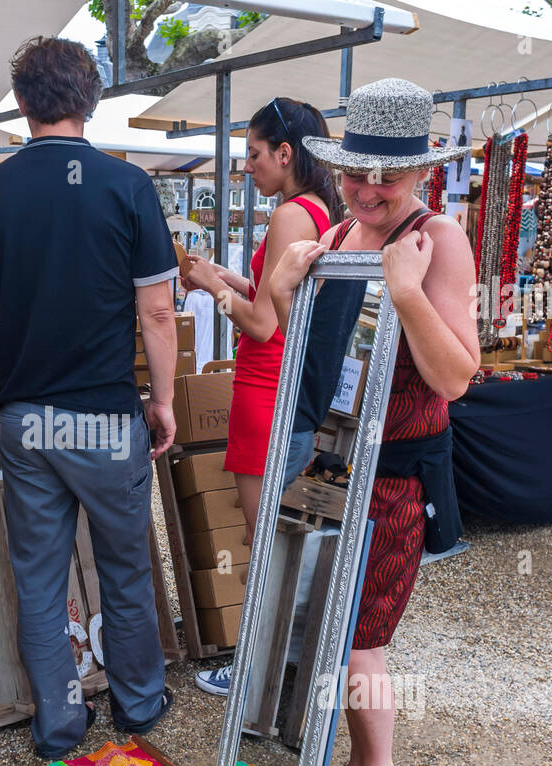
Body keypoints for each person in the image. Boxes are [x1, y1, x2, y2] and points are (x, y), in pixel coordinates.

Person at [0, 36, 176, 759]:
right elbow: (159, 313)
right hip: (107, 417)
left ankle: (58, 726)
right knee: (125, 570)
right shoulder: (128, 186)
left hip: (27, 417)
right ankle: (138, 707)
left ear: (22, 104)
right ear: (91, 100)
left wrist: (23, 292)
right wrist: (163, 400)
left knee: (41, 580)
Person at [267, 78, 479, 766]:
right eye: (357, 172)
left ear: (420, 173)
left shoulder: (440, 238)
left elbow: (456, 376)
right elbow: (316, 361)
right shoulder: (335, 238)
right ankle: (359, 763)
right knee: (333, 624)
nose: (369, 189)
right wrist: (286, 286)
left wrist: (411, 296)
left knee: (361, 635)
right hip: (334, 463)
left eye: (388, 176)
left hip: (397, 472)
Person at [184, 97, 342, 697]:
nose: (246, 166)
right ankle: (281, 663)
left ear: (285, 152)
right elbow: (279, 301)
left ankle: (257, 672)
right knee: (272, 533)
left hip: (265, 386)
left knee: (265, 540)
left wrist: (209, 287)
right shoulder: (320, 210)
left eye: (253, 154)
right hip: (288, 388)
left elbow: (261, 325)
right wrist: (229, 278)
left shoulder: (288, 217)